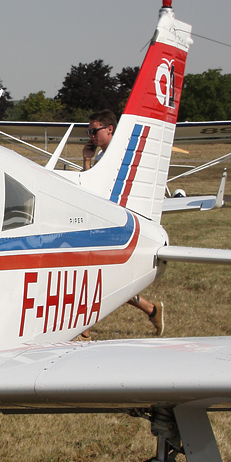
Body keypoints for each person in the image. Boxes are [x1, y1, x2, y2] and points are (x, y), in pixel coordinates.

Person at [80, 110, 165, 335]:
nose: (91, 136)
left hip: (118, 224)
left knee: (96, 278)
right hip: (101, 222)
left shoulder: (120, 156)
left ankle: (84, 331)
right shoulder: (100, 158)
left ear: (110, 129)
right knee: (102, 279)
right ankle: (149, 308)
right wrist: (87, 160)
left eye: (94, 131)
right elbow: (89, 191)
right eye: (89, 131)